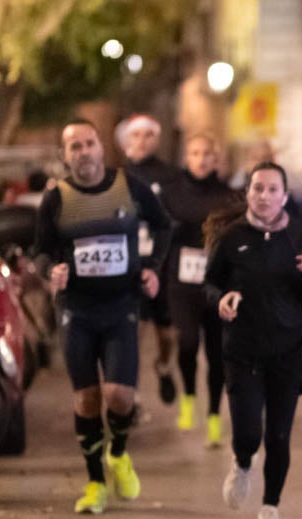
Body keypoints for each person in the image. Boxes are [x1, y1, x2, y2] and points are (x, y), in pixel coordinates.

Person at [36, 119, 173, 514]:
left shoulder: (128, 186)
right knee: (86, 398)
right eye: (74, 146)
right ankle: (95, 482)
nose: (83, 152)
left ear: (101, 148)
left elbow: (163, 225)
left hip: (121, 306)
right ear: (65, 156)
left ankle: (120, 452)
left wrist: (151, 267)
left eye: (89, 143)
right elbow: (41, 250)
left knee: (119, 394)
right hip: (76, 310)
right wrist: (51, 271)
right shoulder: (56, 198)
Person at [203, 162, 302, 519]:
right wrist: (221, 298)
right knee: (248, 432)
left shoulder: (301, 236)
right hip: (242, 350)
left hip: (289, 351)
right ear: (249, 193)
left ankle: (270, 509)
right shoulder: (231, 237)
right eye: (258, 188)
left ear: (285, 196)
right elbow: (209, 284)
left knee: (278, 436)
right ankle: (243, 462)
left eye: (273, 189)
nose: (264, 196)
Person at [164, 132, 240, 446]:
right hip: (181, 281)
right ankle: (189, 396)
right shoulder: (171, 193)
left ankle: (212, 414)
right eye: (195, 153)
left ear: (216, 158)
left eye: (207, 153)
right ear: (186, 157)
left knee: (217, 352)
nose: (201, 159)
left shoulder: (229, 196)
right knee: (186, 341)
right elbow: (159, 234)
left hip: (216, 281)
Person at [119, 113, 183, 406]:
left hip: (163, 265)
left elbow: (178, 216)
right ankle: (133, 397)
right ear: (126, 141)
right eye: (136, 135)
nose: (141, 141)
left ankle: (164, 365)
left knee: (167, 334)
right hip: (131, 266)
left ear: (156, 139)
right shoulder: (117, 177)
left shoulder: (171, 176)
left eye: (147, 135)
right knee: (132, 333)